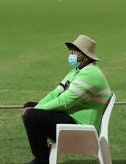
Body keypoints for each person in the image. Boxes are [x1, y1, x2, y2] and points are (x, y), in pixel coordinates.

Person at [21, 34, 112, 164]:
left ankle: (41, 160)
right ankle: (42, 157)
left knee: (31, 115)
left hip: (82, 128)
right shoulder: (77, 71)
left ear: (86, 57)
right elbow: (56, 93)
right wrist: (35, 107)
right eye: (70, 49)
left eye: (75, 50)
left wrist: (34, 110)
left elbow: (64, 102)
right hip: (73, 117)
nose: (70, 52)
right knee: (29, 107)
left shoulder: (91, 75)